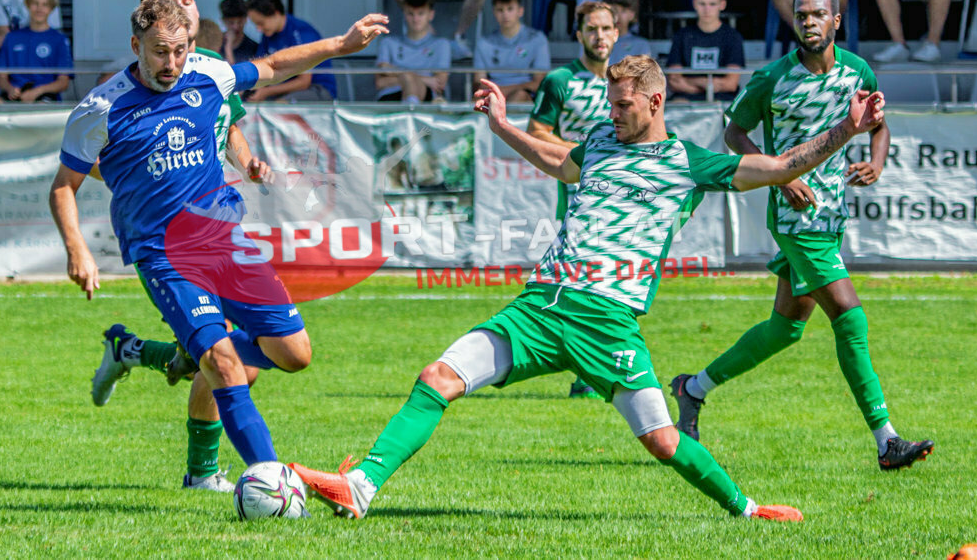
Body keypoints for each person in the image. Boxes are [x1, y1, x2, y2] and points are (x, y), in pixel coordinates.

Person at [286, 53, 887, 522]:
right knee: (437, 378)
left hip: (607, 322)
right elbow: (556, 162)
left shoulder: (687, 162)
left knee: (660, 438)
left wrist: (847, 127)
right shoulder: (601, 141)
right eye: (611, 100)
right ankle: (361, 486)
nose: (614, 110)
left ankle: (748, 509)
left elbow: (783, 166)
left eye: (624, 103)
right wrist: (500, 124)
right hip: (540, 307)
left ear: (654, 101)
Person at [51, 0, 387, 489]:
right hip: (165, 256)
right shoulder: (100, 107)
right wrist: (76, 249)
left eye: (181, 50)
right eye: (160, 52)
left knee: (295, 354)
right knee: (224, 364)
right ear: (135, 46)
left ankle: (149, 350)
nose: (172, 63)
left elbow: (272, 66)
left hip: (227, 242)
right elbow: (64, 185)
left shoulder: (207, 74)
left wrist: (341, 43)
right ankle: (272, 480)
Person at [670, 0, 935, 472]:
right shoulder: (773, 77)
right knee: (850, 316)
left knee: (785, 329)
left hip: (832, 213)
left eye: (818, 14)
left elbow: (879, 123)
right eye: (801, 14)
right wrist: (778, 176)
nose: (809, 21)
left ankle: (693, 387)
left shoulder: (858, 70)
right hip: (795, 216)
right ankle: (886, 439)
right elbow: (733, 133)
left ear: (837, 21)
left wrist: (877, 164)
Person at [87, 0, 283, 493]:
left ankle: (126, 351)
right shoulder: (131, 84)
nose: (190, 10)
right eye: (178, 2)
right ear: (153, 18)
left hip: (217, 224)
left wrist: (247, 163)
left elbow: (230, 126)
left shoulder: (210, 67)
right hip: (172, 241)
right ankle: (205, 472)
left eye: (192, 1)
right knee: (219, 358)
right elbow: (101, 159)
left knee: (217, 358)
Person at [528, 0, 617, 399]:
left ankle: (591, 368)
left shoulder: (625, 79)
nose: (600, 36)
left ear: (617, 32)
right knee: (584, 278)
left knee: (612, 279)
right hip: (579, 195)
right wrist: (579, 151)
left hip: (621, 195)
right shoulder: (561, 80)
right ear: (578, 35)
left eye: (606, 29)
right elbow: (537, 130)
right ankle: (585, 372)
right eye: (592, 30)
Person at [246, 0, 338, 101]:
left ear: (275, 13)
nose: (258, 29)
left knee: (277, 108)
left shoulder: (301, 33)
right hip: (282, 89)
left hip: (317, 89)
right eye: (256, 25)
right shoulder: (268, 34)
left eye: (261, 23)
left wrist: (267, 91)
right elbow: (259, 67)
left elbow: (304, 82)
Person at [666, 0, 745, 103]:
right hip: (686, 99)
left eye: (712, 4)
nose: (707, 10)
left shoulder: (732, 37)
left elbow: (731, 83)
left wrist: (693, 83)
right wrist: (706, 84)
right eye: (702, 3)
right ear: (695, 4)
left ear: (722, 4)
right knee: (676, 106)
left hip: (723, 100)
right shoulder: (682, 35)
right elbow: (674, 81)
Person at [0, 0, 72, 103]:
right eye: (35, 3)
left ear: (51, 8)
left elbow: (63, 82)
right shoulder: (12, 37)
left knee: (41, 108)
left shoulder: (59, 40)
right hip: (14, 94)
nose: (39, 9)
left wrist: (37, 92)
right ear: (28, 5)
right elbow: (1, 78)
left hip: (44, 96)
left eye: (45, 5)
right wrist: (9, 89)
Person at [472, 0, 550, 103]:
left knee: (519, 95)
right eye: (500, 10)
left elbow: (539, 83)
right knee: (478, 101)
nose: (505, 15)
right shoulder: (484, 43)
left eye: (510, 9)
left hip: (523, 96)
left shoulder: (537, 39)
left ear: (520, 11)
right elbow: (479, 83)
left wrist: (502, 90)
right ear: (494, 12)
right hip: (493, 97)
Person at [375, 0, 451, 104]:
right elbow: (379, 83)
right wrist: (425, 79)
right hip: (391, 95)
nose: (415, 19)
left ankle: (410, 107)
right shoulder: (388, 43)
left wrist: (395, 72)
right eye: (410, 14)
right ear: (404, 14)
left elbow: (439, 84)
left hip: (426, 97)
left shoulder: (442, 44)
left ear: (431, 15)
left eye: (420, 13)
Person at [604, 0, 652, 65]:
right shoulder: (599, 42)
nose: (618, 16)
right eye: (614, 11)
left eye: (623, 11)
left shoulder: (641, 44)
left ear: (632, 15)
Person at [219, 0, 258, 65]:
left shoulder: (253, 48)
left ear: (246, 19)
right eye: (231, 23)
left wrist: (228, 47)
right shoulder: (215, 43)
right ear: (223, 20)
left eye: (240, 22)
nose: (236, 27)